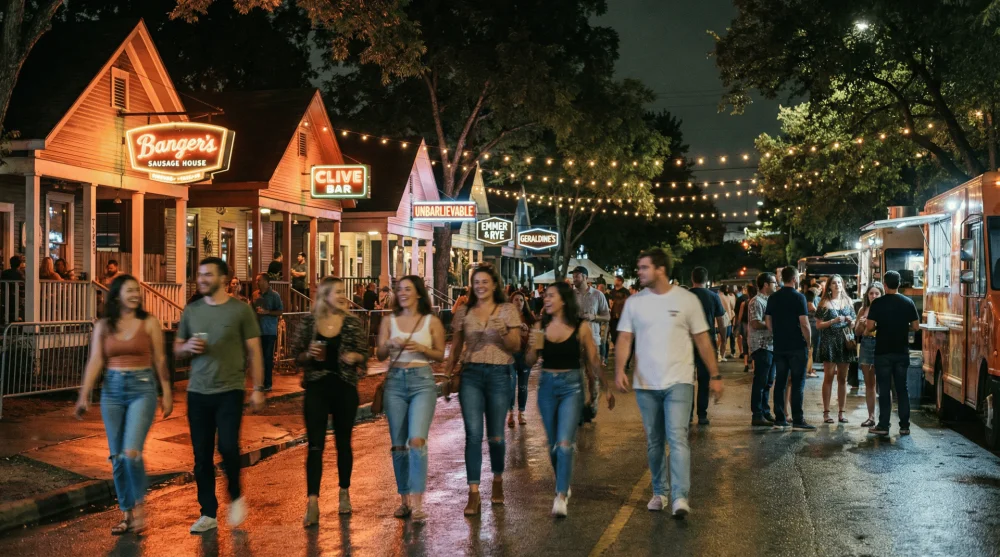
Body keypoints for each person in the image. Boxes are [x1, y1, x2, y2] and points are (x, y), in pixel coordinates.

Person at [614, 248, 722, 518]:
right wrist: (619, 370)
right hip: (646, 384)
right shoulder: (634, 303)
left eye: (644, 267)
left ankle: (680, 497)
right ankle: (659, 492)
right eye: (639, 268)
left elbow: (702, 339)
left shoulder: (686, 300)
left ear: (660, 269)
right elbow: (625, 338)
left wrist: (715, 375)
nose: (639, 272)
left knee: (677, 438)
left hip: (679, 381)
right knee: (654, 441)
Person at [174, 257, 266, 533]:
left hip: (229, 390)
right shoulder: (192, 311)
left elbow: (255, 352)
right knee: (201, 455)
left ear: (223, 279)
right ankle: (208, 513)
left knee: (227, 447)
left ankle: (236, 496)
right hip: (198, 393)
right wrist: (187, 345)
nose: (201, 279)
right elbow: (177, 348)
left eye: (207, 275)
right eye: (199, 274)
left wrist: (259, 389)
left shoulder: (240, 311)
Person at [75, 274, 172, 535]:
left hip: (142, 388)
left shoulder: (149, 322)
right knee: (117, 457)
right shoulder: (104, 325)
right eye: (129, 290)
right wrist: (84, 395)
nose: (135, 294)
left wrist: (167, 392)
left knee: (131, 453)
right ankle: (126, 514)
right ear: (117, 295)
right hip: (112, 391)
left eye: (137, 290)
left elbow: (160, 360)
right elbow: (95, 360)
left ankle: (140, 508)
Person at [527, 282, 614, 517]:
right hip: (546, 387)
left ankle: (561, 495)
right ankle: (563, 483)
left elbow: (594, 360)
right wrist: (529, 343)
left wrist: (606, 388)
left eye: (551, 296)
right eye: (545, 296)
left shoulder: (581, 327)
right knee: (553, 446)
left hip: (571, 388)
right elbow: (529, 360)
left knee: (565, 444)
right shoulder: (540, 325)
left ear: (563, 300)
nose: (546, 299)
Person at [443, 263, 520, 515]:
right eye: (476, 282)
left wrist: (504, 332)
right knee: (473, 434)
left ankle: (497, 481)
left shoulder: (507, 310)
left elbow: (515, 346)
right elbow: (455, 346)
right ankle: (473, 493)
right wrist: (448, 372)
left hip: (499, 374)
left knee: (496, 436)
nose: (480, 286)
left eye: (485, 282)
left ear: (494, 284)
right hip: (471, 375)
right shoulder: (464, 311)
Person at [293, 276, 368, 524]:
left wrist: (354, 356)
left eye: (342, 291)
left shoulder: (352, 323)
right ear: (324, 295)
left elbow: (364, 356)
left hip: (344, 387)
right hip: (316, 387)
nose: (342, 295)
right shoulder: (309, 322)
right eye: (336, 291)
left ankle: (344, 492)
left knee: (343, 443)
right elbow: (297, 356)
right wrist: (308, 353)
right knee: (315, 445)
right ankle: (312, 502)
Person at [375, 275, 445, 522]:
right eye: (399, 289)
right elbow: (380, 354)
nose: (402, 293)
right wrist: (388, 344)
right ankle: (404, 499)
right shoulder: (388, 321)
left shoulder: (431, 322)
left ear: (418, 293)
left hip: (422, 383)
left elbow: (439, 355)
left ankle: (417, 501)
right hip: (394, 383)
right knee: (398, 444)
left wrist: (422, 348)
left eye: (407, 289)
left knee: (416, 440)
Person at [865, 271, 919, 437]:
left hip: (883, 352)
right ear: (899, 283)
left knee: (884, 389)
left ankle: (883, 425)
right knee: (902, 389)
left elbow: (869, 327)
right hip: (901, 352)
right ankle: (904, 426)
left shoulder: (877, 303)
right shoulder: (908, 302)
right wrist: (904, 327)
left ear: (885, 285)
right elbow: (916, 326)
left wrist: (878, 327)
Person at [765, 266, 815, 430]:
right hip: (797, 346)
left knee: (780, 381)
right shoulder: (799, 297)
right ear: (794, 279)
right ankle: (798, 420)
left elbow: (768, 321)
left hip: (779, 346)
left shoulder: (773, 297)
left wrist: (777, 333)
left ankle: (780, 419)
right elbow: (804, 323)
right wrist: (808, 342)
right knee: (798, 382)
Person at [815, 274, 857, 424]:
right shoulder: (825, 303)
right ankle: (826, 412)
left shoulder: (848, 301)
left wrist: (852, 322)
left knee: (843, 378)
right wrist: (833, 321)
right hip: (830, 342)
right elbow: (818, 325)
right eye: (834, 283)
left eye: (839, 282)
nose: (837, 285)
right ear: (829, 286)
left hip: (845, 342)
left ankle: (842, 412)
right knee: (829, 377)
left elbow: (853, 324)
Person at [688, 267, 725, 425]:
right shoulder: (713, 296)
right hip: (707, 342)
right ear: (706, 279)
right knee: (704, 379)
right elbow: (721, 321)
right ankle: (702, 414)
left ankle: (687, 414)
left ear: (692, 279)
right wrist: (723, 339)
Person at [571, 266, 610, 415]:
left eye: (577, 275)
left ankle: (593, 404)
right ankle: (578, 406)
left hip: (593, 340)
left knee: (592, 375)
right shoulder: (571, 295)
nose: (574, 278)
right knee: (575, 374)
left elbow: (606, 316)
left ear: (585, 277)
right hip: (574, 340)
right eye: (573, 276)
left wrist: (593, 317)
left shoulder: (598, 295)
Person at [748, 273, 777, 426]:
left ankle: (765, 411)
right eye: (774, 282)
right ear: (766, 284)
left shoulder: (769, 301)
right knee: (761, 381)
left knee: (768, 381)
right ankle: (757, 414)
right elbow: (755, 323)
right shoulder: (756, 301)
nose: (776, 285)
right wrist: (773, 324)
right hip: (761, 345)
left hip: (771, 345)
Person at [855, 282, 884, 427]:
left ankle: (884, 418)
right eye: (871, 293)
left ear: (881, 294)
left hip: (881, 344)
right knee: (869, 384)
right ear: (867, 295)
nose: (873, 296)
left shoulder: (886, 308)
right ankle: (871, 416)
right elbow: (857, 332)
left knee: (884, 384)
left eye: (876, 293)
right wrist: (861, 324)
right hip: (866, 344)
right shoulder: (863, 309)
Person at [507, 290, 536, 427]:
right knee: (511, 385)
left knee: (523, 386)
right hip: (510, 356)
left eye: (521, 300)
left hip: (525, 356)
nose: (519, 302)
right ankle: (511, 413)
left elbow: (537, 337)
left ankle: (522, 412)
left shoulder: (529, 318)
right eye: (516, 300)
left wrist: (527, 333)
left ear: (525, 303)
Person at [252, 274, 283, 392]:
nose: (256, 282)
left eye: (258, 280)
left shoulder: (274, 295)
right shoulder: (255, 294)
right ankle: (259, 382)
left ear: (265, 281)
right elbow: (252, 309)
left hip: (269, 331)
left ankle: (268, 383)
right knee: (258, 358)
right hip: (257, 330)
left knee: (267, 358)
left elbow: (280, 311)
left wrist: (268, 312)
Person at [736, 285, 754, 372]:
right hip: (753, 326)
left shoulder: (744, 303)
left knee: (745, 344)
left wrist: (737, 325)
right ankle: (754, 366)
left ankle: (746, 364)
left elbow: (739, 317)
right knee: (753, 345)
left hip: (744, 325)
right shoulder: (756, 302)